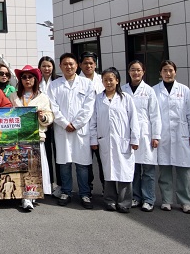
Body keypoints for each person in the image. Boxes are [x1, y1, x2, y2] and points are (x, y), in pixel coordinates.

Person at [48, 53, 95, 209]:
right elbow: (53, 107)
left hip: (80, 130)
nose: (68, 67)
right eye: (65, 64)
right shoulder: (54, 85)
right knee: (64, 163)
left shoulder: (87, 84)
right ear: (60, 66)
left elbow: (88, 108)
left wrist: (75, 124)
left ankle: (85, 194)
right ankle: (66, 192)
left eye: (71, 64)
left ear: (77, 65)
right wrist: (64, 123)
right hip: (62, 129)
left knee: (82, 165)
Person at [90, 68, 140, 213]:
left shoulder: (126, 98)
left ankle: (124, 202)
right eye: (105, 80)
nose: (108, 82)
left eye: (111, 79)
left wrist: (134, 139)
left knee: (124, 172)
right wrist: (93, 140)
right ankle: (110, 200)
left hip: (123, 141)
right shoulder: (98, 99)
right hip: (105, 140)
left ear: (117, 81)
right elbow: (93, 121)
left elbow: (134, 120)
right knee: (109, 171)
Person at [153, 60, 190, 214]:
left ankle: (186, 202)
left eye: (170, 70)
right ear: (160, 73)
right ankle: (166, 201)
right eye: (165, 70)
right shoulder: (155, 90)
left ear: (175, 72)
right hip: (163, 135)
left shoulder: (184, 90)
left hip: (181, 135)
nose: (168, 73)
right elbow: (153, 115)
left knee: (183, 172)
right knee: (164, 171)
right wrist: (154, 135)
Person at [9, 65, 54, 211]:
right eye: (24, 77)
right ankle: (21, 195)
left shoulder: (43, 97)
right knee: (19, 167)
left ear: (35, 79)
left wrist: (42, 117)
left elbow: (49, 117)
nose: (27, 80)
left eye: (30, 77)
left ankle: (29, 197)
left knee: (33, 169)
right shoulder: (13, 96)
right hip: (17, 137)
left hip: (35, 137)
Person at [121, 60, 161, 211]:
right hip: (129, 134)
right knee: (134, 169)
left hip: (146, 135)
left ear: (143, 72)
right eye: (133, 69)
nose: (135, 72)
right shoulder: (123, 90)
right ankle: (136, 197)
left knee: (148, 170)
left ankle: (148, 199)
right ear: (129, 72)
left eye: (138, 70)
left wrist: (155, 136)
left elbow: (155, 115)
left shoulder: (149, 91)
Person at [79, 51, 105, 198]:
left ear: (95, 64)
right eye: (85, 63)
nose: (88, 66)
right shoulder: (76, 81)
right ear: (80, 65)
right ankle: (87, 191)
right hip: (83, 128)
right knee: (85, 163)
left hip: (101, 128)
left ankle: (106, 190)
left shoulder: (102, 80)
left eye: (91, 63)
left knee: (103, 161)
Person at [39, 56, 61, 196]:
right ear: (39, 68)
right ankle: (48, 182)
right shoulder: (37, 82)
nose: (46, 69)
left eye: (49, 66)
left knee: (59, 154)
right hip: (42, 122)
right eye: (44, 66)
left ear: (53, 67)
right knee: (46, 154)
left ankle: (59, 184)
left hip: (58, 122)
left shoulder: (58, 81)